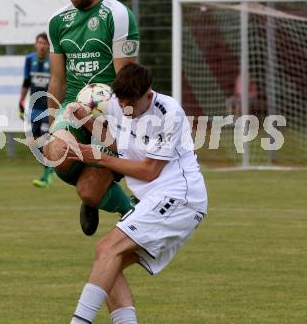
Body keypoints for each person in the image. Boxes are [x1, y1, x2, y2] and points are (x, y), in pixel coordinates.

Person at [66, 63, 208, 324]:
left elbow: (148, 170)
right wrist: (84, 120)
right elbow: (120, 146)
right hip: (159, 200)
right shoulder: (119, 106)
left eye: (132, 102)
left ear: (148, 94)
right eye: (122, 103)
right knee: (108, 265)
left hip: (179, 198)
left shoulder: (169, 113)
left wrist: (98, 158)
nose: (126, 109)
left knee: (107, 250)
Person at [45, 0, 140, 235]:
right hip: (73, 109)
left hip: (109, 116)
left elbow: (127, 81)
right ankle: (121, 203)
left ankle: (109, 200)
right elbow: (58, 80)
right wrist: (52, 124)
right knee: (57, 153)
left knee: (88, 193)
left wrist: (122, 130)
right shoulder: (58, 22)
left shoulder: (119, 15)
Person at [19, 32, 56, 188]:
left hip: (49, 107)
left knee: (47, 139)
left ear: (49, 46)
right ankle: (49, 168)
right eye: (40, 42)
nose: (42, 46)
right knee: (35, 141)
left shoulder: (54, 61)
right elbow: (26, 82)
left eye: (45, 43)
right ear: (36, 44)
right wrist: (20, 102)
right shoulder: (29, 59)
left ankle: (48, 173)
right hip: (35, 107)